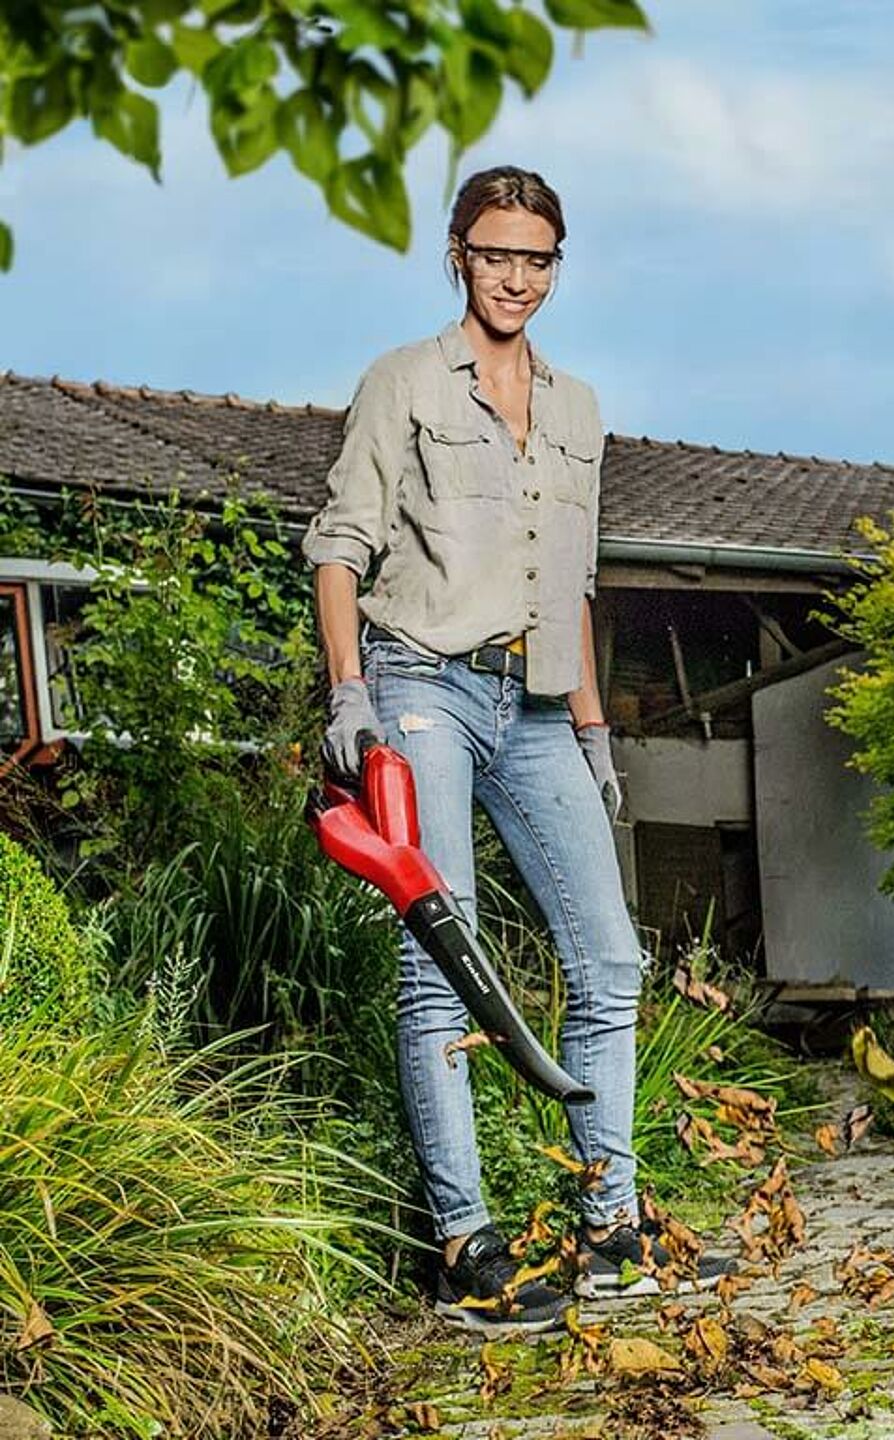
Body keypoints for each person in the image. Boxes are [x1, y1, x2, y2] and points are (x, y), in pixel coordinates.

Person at [303, 165, 729, 1334]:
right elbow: (341, 544)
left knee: (610, 964)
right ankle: (463, 1247)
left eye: (537, 259)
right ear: (459, 256)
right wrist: (351, 695)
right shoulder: (403, 382)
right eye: (496, 254)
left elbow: (573, 585)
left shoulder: (580, 407)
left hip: (539, 708)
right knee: (447, 960)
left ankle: (610, 1229)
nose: (516, 277)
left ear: (557, 265)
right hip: (421, 686)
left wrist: (593, 731)